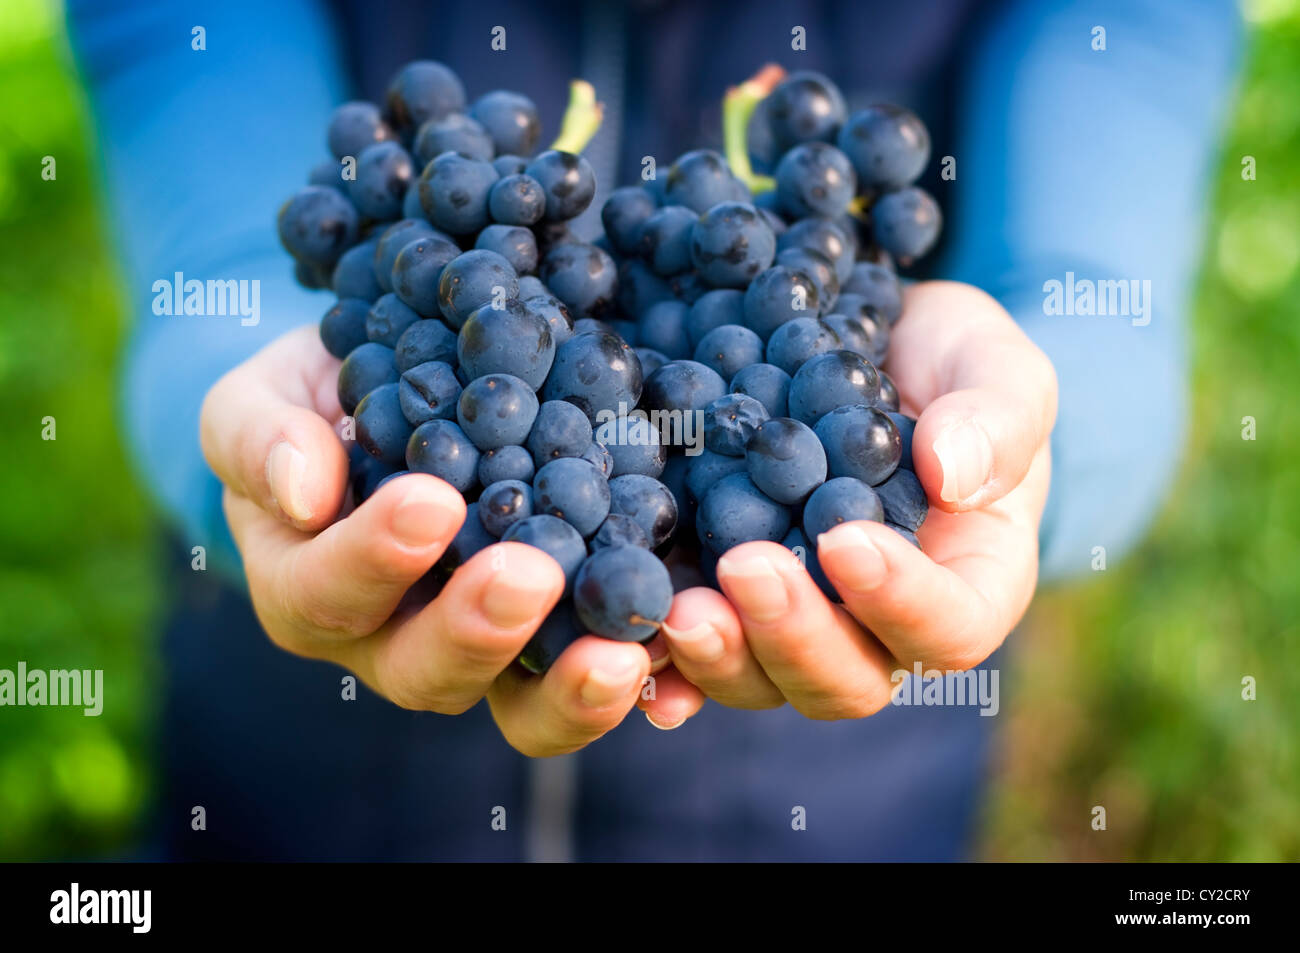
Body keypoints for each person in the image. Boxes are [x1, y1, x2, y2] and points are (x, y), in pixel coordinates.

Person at [66, 0, 1241, 860]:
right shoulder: (467, 351)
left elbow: (1133, 38)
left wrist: (1045, 425)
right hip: (302, 768)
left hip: (840, 794)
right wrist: (232, 401)